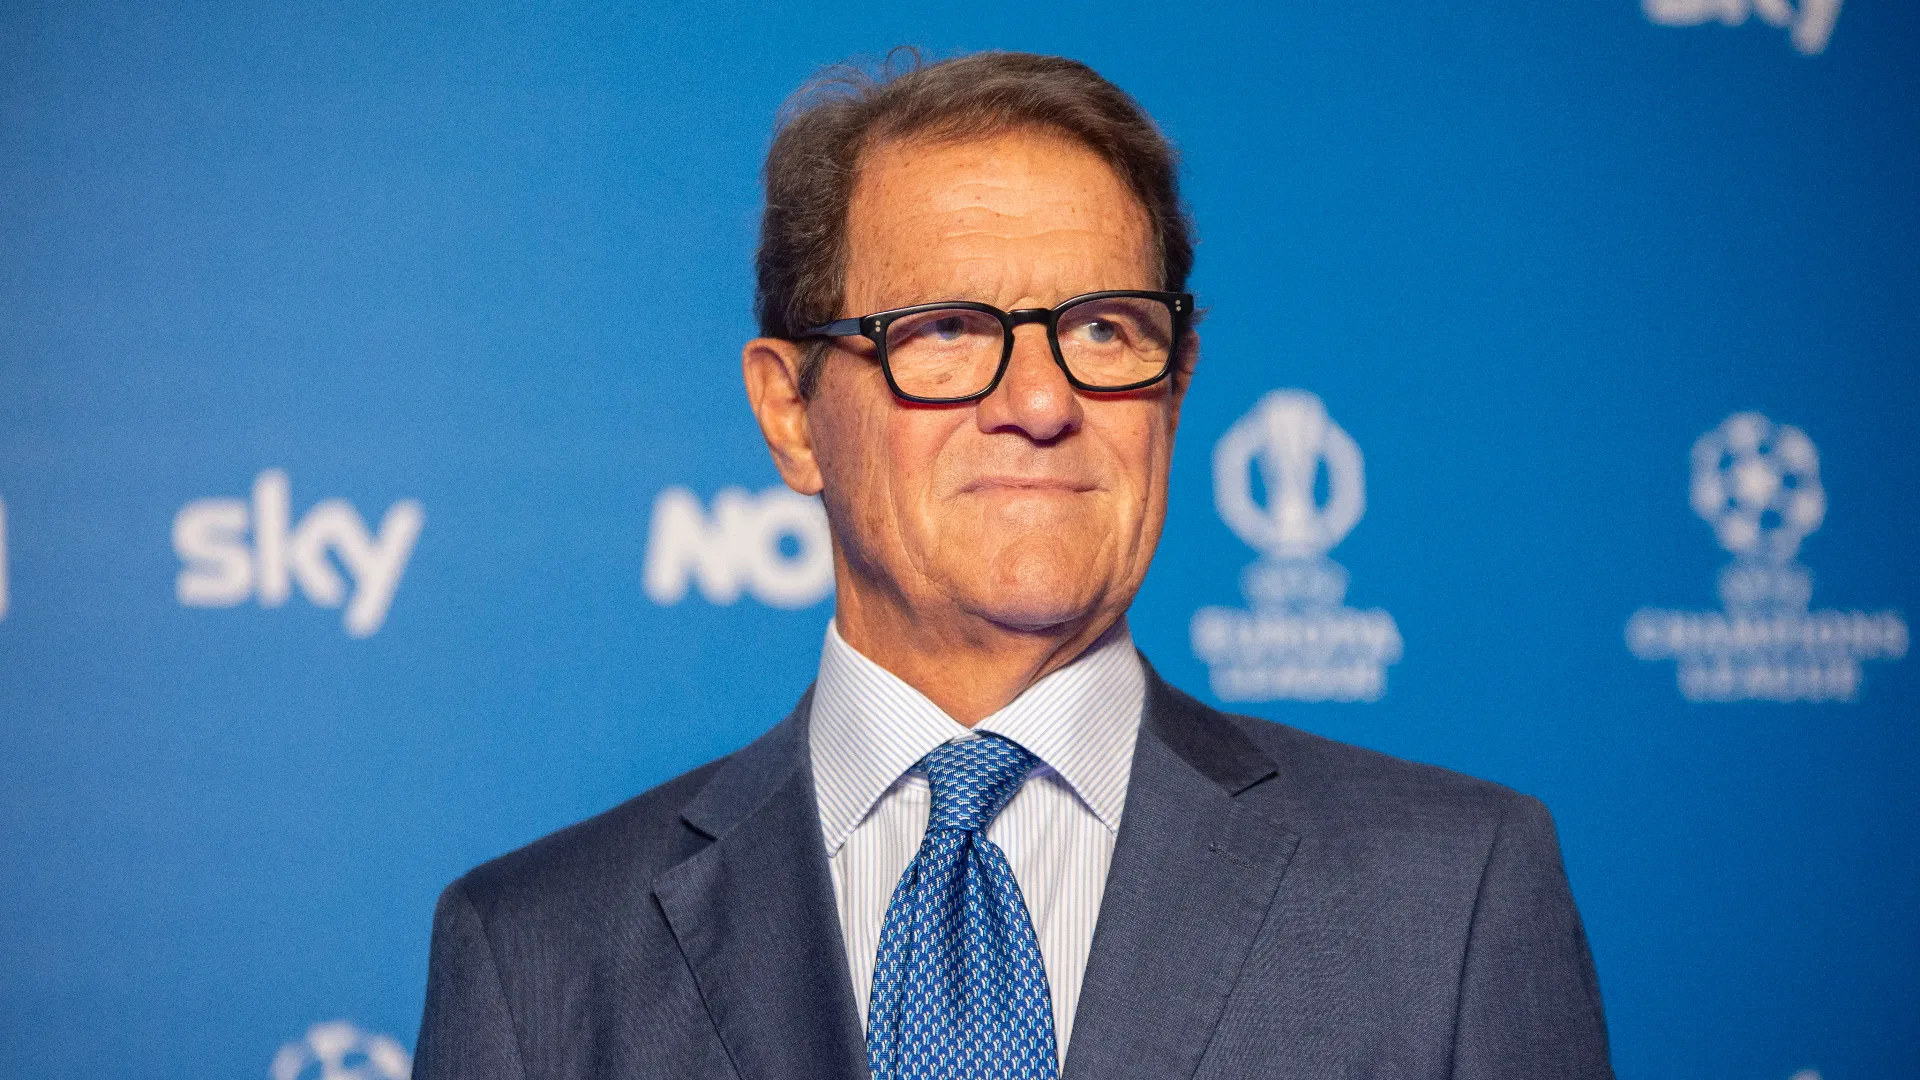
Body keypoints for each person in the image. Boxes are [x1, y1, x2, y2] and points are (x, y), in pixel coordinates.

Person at [414, 51, 1612, 1079]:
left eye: (1105, 329)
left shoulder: (1450, 895)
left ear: (1175, 385)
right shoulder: (536, 954)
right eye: (944, 330)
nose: (1041, 401)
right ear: (789, 414)